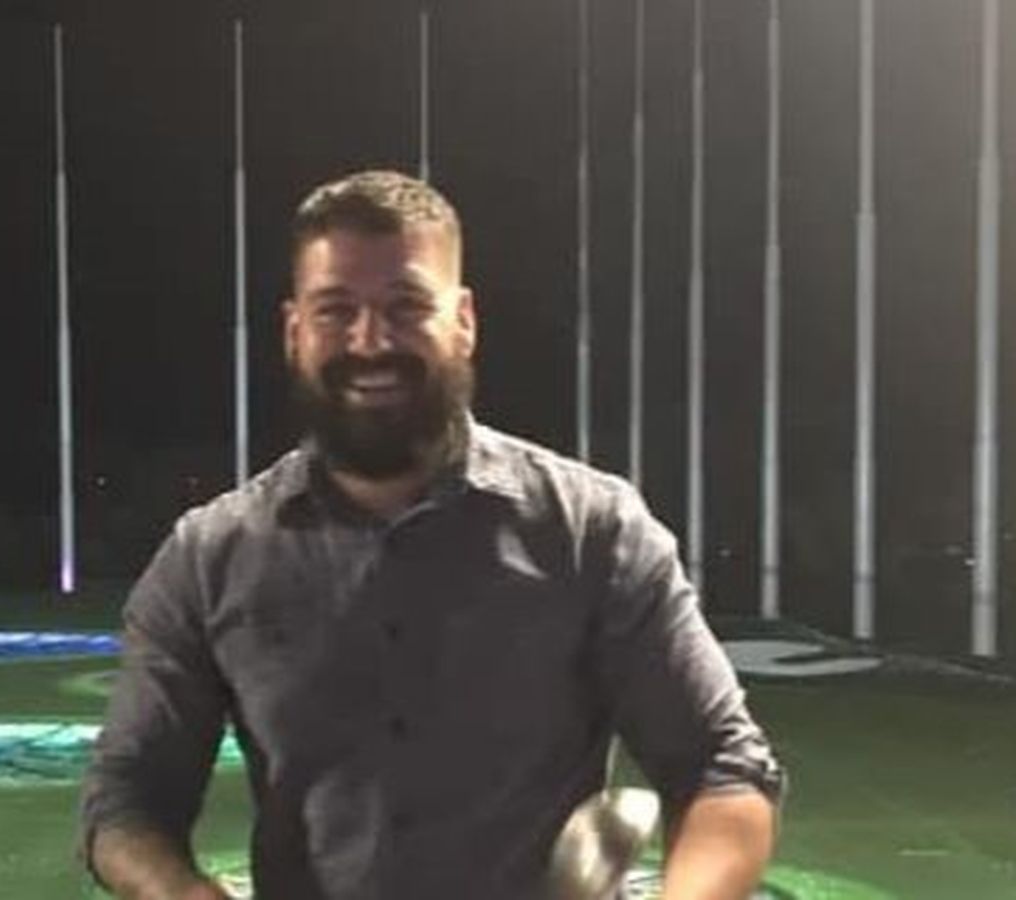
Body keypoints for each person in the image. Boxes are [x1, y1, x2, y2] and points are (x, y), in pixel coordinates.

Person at [79, 170, 784, 900]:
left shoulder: (591, 531)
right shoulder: (209, 557)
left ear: (464, 321)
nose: (371, 340)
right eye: (336, 310)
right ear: (294, 331)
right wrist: (182, 894)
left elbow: (721, 767)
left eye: (407, 306)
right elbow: (127, 801)